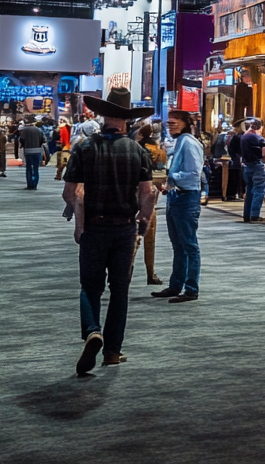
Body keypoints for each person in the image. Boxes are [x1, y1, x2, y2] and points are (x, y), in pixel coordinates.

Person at [61, 88, 156, 373]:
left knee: (90, 286)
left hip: (93, 227)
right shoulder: (137, 150)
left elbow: (72, 194)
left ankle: (93, 331)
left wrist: (79, 225)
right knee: (120, 290)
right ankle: (113, 351)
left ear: (103, 115)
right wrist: (143, 222)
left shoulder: (84, 147)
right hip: (124, 229)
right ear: (127, 120)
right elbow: (147, 193)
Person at [153, 111, 203, 303]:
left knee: (189, 245)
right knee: (178, 246)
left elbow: (193, 174)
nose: (170, 124)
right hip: (177, 196)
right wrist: (169, 184)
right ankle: (176, 285)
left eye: (174, 122)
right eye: (169, 122)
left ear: (185, 123)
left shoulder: (189, 142)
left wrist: (169, 177)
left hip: (186, 198)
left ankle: (191, 288)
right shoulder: (181, 141)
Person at [134, 124, 167, 287]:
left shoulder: (136, 148)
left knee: (135, 238)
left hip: (135, 196)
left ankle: (127, 273)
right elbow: (162, 170)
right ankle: (150, 273)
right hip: (153, 193)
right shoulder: (158, 149)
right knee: (150, 238)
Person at [239, 118, 265, 223]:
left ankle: (247, 215)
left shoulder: (243, 137)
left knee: (249, 190)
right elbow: (264, 154)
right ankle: (255, 215)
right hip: (257, 166)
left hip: (246, 166)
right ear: (259, 127)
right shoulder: (259, 138)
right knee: (259, 190)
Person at [17, 118, 47, 190]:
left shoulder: (24, 131)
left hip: (28, 151)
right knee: (36, 169)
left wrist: (24, 145)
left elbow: (21, 140)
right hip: (37, 151)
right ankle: (35, 185)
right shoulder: (39, 130)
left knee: (29, 168)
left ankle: (29, 184)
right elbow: (44, 140)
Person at [224, 119, 246, 202]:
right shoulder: (239, 137)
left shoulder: (236, 137)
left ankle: (232, 194)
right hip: (237, 160)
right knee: (237, 178)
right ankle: (236, 194)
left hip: (235, 160)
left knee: (235, 177)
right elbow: (240, 149)